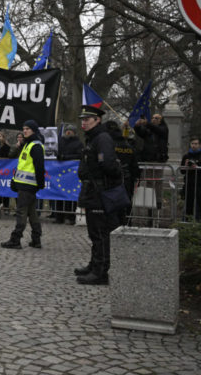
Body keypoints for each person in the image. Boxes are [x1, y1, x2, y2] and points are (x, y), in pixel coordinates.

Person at [74, 105, 123, 285]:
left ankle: (100, 272)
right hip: (93, 191)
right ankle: (94, 265)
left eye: (87, 120)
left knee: (101, 233)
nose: (83, 123)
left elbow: (109, 165)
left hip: (99, 192)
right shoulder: (93, 138)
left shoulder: (102, 138)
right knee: (94, 232)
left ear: (98, 120)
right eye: (82, 120)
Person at [1, 120, 45, 249]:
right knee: (32, 213)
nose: (25, 131)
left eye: (28, 129)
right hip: (24, 184)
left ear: (34, 130)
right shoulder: (27, 144)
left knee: (21, 212)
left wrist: (40, 183)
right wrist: (15, 180)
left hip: (28, 186)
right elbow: (22, 166)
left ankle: (15, 239)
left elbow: (39, 167)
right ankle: (36, 239)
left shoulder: (35, 146)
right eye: (24, 128)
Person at [105, 120, 140, 225]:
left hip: (113, 178)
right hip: (128, 178)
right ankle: (127, 222)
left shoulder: (109, 145)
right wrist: (136, 178)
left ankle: (115, 223)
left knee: (113, 202)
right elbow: (134, 165)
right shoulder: (129, 146)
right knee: (127, 201)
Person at [53, 125, 84, 224]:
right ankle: (59, 217)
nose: (68, 132)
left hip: (71, 174)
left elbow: (80, 155)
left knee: (70, 195)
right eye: (67, 130)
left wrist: (66, 157)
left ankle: (70, 217)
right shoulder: (60, 142)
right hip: (60, 173)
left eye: (71, 130)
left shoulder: (78, 143)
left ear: (74, 132)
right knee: (59, 193)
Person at [181, 137, 201, 221]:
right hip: (189, 183)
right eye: (192, 143)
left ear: (199, 145)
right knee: (188, 203)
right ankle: (186, 221)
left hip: (199, 183)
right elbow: (182, 171)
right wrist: (185, 166)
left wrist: (197, 167)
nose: (194, 146)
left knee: (198, 204)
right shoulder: (186, 156)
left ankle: (198, 221)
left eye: (196, 144)